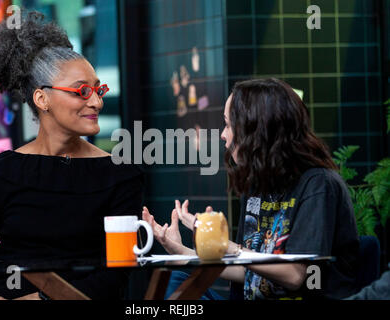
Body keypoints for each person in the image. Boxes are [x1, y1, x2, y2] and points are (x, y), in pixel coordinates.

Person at [0, 11, 143, 300]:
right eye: (82, 91)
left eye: (98, 90)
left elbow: (117, 273)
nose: (97, 101)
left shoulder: (121, 175)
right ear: (42, 99)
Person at [143, 78, 360, 300]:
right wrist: (181, 252)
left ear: (256, 129)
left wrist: (228, 247)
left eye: (228, 125)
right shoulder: (258, 185)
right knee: (173, 282)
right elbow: (247, 269)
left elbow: (297, 275)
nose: (223, 135)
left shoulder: (318, 185)